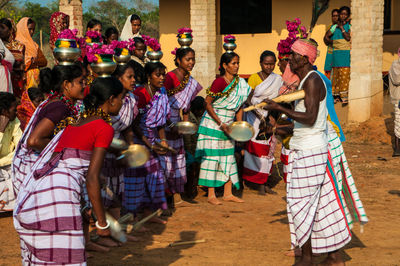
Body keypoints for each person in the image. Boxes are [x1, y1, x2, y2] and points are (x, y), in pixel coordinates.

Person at [13, 77, 124, 265]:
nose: (123, 103)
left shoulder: (75, 123)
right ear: (111, 99)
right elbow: (91, 178)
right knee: (67, 257)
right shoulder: (104, 128)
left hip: (40, 191)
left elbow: (72, 162)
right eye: (122, 98)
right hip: (60, 195)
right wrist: (102, 222)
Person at [264, 39, 351, 265]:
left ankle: (307, 258)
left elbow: (311, 118)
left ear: (303, 59)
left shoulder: (312, 81)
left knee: (298, 204)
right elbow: (307, 121)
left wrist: (278, 108)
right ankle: (334, 257)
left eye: (292, 55)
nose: (289, 59)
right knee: (321, 204)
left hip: (310, 151)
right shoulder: (306, 80)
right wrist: (276, 127)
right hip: (309, 147)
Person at [12, 64, 84, 197]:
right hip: (37, 169)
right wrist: (64, 151)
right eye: (80, 82)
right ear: (67, 84)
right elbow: (34, 141)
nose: (84, 86)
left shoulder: (58, 103)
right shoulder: (60, 107)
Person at [195, 52, 251, 205]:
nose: (236, 66)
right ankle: (211, 194)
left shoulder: (241, 84)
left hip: (229, 125)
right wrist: (221, 124)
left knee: (228, 158)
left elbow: (239, 107)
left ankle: (228, 193)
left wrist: (238, 128)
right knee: (212, 158)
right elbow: (207, 103)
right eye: (233, 63)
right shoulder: (219, 82)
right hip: (213, 124)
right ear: (225, 66)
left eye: (237, 63)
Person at [124, 61, 171, 224]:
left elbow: (161, 122)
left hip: (153, 141)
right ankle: (134, 217)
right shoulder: (140, 93)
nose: (162, 78)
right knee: (136, 180)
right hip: (138, 141)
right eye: (158, 74)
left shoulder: (162, 93)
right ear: (149, 77)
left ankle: (149, 214)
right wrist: (148, 144)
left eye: (163, 74)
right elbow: (134, 124)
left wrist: (163, 140)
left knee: (155, 176)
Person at [161, 47, 202, 203]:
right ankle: (166, 198)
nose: (191, 62)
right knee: (166, 161)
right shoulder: (169, 78)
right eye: (188, 59)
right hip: (163, 122)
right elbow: (161, 103)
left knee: (178, 159)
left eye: (193, 59)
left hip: (177, 123)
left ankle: (177, 195)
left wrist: (184, 125)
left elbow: (186, 107)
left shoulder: (189, 80)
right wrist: (171, 125)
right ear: (178, 60)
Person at [243, 51, 283, 195]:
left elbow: (278, 100)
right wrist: (259, 116)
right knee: (256, 150)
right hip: (254, 118)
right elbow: (248, 99)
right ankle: (255, 181)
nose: (269, 67)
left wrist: (271, 117)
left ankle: (264, 181)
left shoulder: (277, 79)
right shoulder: (254, 78)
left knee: (268, 151)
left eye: (272, 64)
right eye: (266, 63)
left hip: (269, 118)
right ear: (261, 63)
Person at [102, 63, 138, 221]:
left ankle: (115, 230)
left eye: (134, 77)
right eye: (129, 77)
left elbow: (127, 127)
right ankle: (101, 230)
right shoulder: (108, 100)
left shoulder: (131, 100)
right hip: (103, 150)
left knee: (117, 191)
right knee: (104, 192)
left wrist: (130, 148)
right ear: (118, 79)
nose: (133, 80)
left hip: (118, 151)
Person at [0, 92, 22, 212]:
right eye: (14, 110)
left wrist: (7, 160)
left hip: (9, 165)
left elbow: (20, 148)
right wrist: (1, 131)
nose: (17, 113)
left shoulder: (14, 121)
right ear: (4, 111)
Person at [183, 96, 205, 199]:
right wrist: (191, 152)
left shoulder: (201, 116)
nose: (202, 112)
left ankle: (196, 185)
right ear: (196, 110)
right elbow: (187, 139)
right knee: (191, 167)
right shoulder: (189, 118)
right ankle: (190, 189)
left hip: (199, 147)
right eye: (201, 110)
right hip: (191, 149)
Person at [16, 17, 47, 89]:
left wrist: (34, 61)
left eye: (33, 29)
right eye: (29, 29)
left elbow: (44, 62)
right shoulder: (15, 45)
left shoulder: (34, 46)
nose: (32, 32)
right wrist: (31, 62)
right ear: (23, 29)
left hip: (35, 83)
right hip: (20, 81)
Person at [330, 6, 351, 104]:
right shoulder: (334, 27)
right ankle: (336, 96)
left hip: (345, 54)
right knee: (336, 76)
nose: (343, 16)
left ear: (348, 16)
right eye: (341, 14)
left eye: (345, 14)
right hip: (336, 54)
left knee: (345, 75)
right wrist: (333, 43)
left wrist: (342, 28)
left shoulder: (349, 26)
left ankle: (344, 96)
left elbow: (348, 38)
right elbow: (326, 37)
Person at [0, 18, 25, 97]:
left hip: (17, 82)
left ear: (10, 30)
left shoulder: (19, 46)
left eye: (2, 28)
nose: (0, 30)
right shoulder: (1, 45)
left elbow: (22, 65)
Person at [323, 9, 340, 79]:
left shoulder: (342, 27)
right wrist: (333, 42)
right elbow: (325, 40)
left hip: (339, 52)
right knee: (328, 72)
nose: (335, 17)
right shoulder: (330, 27)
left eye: (337, 16)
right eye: (333, 16)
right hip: (330, 52)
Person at [389, 48, 400, 157]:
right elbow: (397, 79)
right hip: (398, 98)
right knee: (398, 123)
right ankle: (397, 148)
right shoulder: (395, 64)